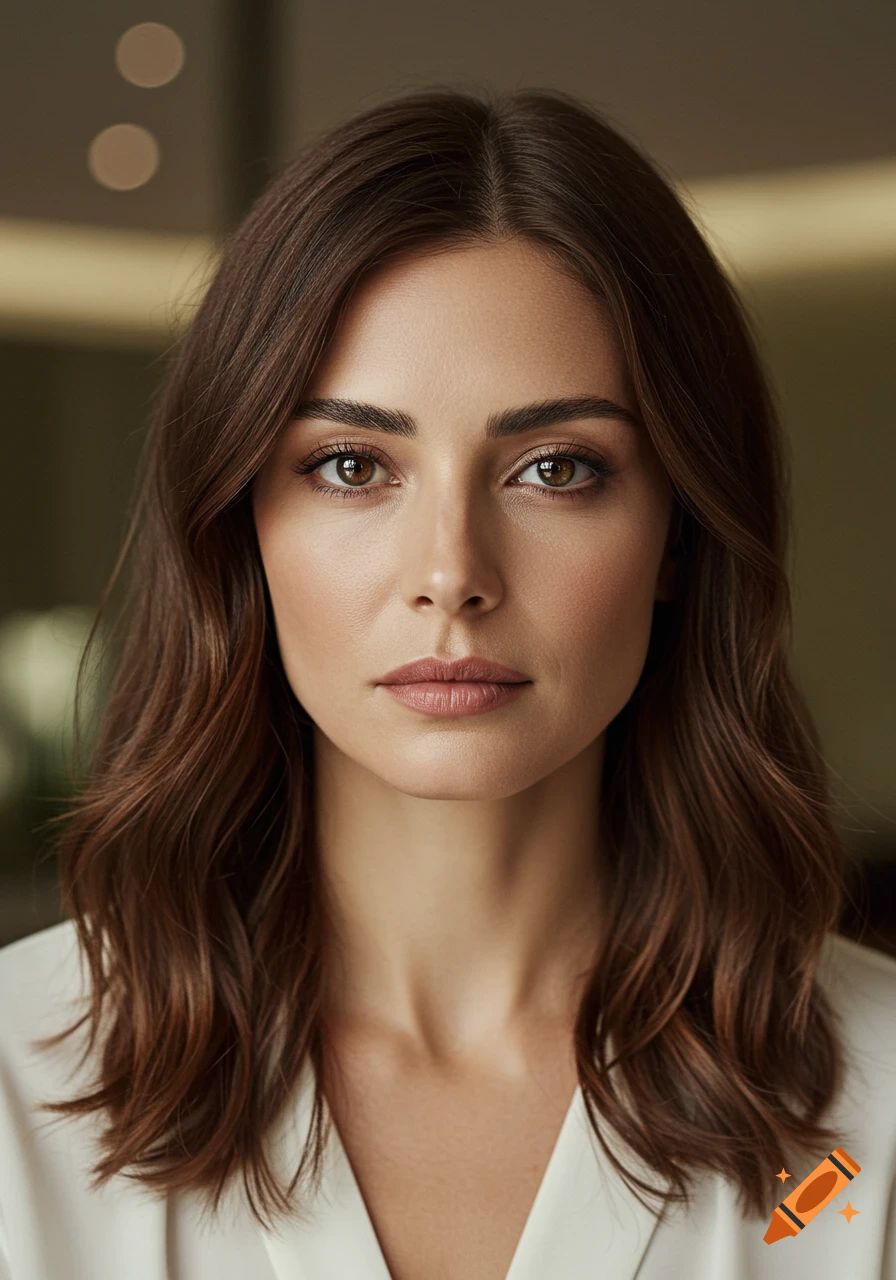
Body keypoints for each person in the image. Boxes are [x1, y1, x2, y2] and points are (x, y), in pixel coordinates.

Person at [0, 85, 894, 1280]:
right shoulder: (14, 1085)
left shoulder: (876, 1109)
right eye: (351, 464)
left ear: (679, 534)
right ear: (238, 527)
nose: (450, 574)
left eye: (555, 467)